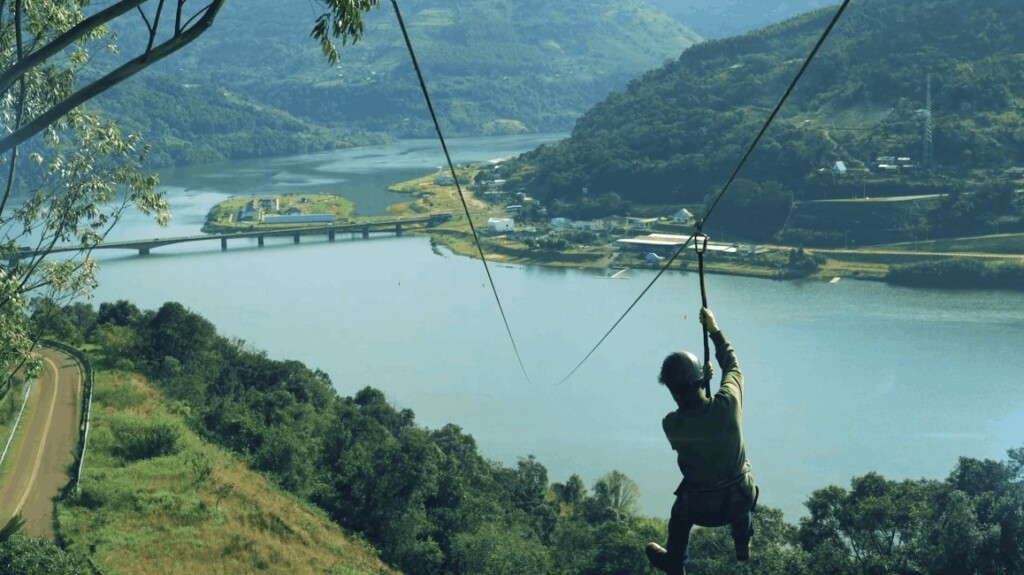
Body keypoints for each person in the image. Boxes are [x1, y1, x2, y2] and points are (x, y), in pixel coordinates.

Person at [645, 307, 758, 575]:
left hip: (702, 509)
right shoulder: (729, 404)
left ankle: (675, 564)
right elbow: (732, 366)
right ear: (699, 380)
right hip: (739, 501)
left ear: (671, 390)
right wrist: (714, 330)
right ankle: (742, 542)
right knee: (739, 479)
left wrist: (700, 382)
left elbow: (692, 412)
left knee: (678, 516)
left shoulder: (671, 425)